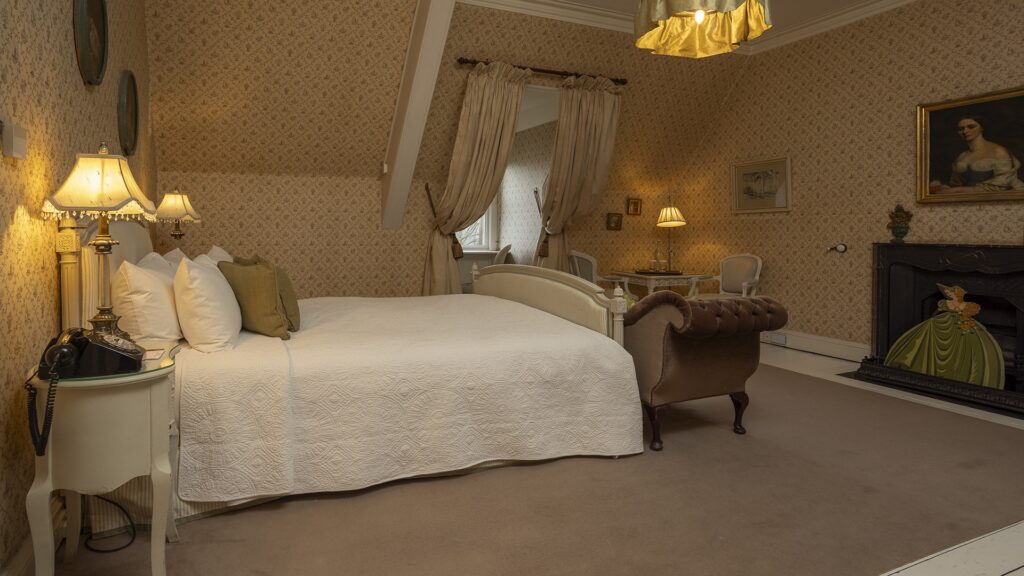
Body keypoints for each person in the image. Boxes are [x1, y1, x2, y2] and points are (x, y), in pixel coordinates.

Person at [929, 116, 1024, 194]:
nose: (965, 131)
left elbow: (1002, 184)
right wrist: (943, 187)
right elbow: (956, 184)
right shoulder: (962, 156)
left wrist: (959, 190)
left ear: (981, 128)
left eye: (971, 127)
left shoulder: (998, 151)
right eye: (961, 129)